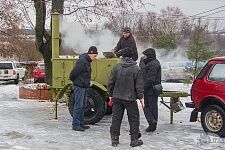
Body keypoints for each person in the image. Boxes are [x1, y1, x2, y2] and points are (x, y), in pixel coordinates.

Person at [108, 47, 144, 147]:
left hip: (117, 97)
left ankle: (114, 139)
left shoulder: (116, 67)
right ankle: (134, 140)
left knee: (116, 118)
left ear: (122, 56)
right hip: (130, 98)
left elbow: (110, 82)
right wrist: (141, 97)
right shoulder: (136, 69)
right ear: (132, 56)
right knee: (134, 118)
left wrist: (110, 95)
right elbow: (139, 86)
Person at [69, 46, 98, 131]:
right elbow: (73, 73)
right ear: (91, 53)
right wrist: (77, 82)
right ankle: (76, 124)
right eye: (95, 56)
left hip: (84, 86)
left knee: (82, 106)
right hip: (79, 86)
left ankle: (81, 123)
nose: (95, 58)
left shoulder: (87, 61)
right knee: (78, 105)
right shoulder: (82, 61)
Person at [140, 48, 161, 132]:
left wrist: (143, 88)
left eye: (145, 55)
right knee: (151, 107)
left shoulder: (153, 64)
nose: (143, 57)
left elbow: (149, 79)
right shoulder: (152, 63)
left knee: (149, 107)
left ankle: (152, 122)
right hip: (150, 89)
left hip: (151, 89)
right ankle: (152, 123)